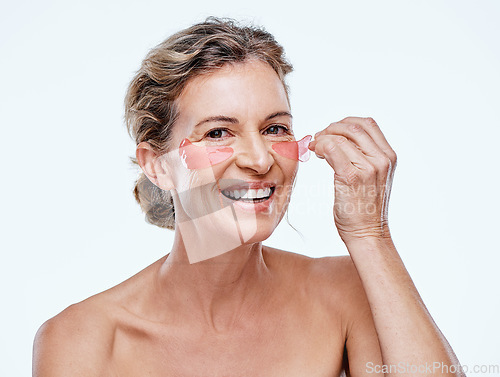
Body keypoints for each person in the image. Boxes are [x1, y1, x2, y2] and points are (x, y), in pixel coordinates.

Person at [33, 17, 464, 376]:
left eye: (275, 128)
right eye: (218, 132)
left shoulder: (343, 295)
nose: (259, 159)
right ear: (157, 164)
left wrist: (371, 235)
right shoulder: (80, 343)